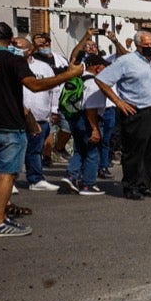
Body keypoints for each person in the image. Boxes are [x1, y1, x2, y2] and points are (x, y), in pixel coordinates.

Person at [0, 21, 83, 236]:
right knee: (7, 174)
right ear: (9, 39)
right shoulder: (14, 60)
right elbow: (34, 84)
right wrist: (69, 75)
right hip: (7, 124)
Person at [95, 30, 151, 200]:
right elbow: (101, 80)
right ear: (138, 45)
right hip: (138, 112)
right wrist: (119, 102)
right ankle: (130, 186)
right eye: (146, 45)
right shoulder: (126, 61)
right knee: (134, 151)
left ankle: (144, 185)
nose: (150, 47)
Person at [58, 54, 110, 195]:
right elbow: (91, 108)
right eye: (103, 67)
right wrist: (94, 129)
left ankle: (70, 176)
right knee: (93, 152)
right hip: (89, 120)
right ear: (97, 67)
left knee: (80, 150)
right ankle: (88, 184)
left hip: (74, 118)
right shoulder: (95, 83)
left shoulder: (78, 79)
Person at [17, 35, 61, 191]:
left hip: (40, 116)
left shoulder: (43, 67)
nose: (16, 49)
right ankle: (9, 181)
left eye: (19, 46)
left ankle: (35, 179)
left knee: (35, 150)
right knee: (14, 150)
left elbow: (54, 89)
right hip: (16, 116)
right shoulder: (10, 65)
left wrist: (54, 110)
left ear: (29, 50)